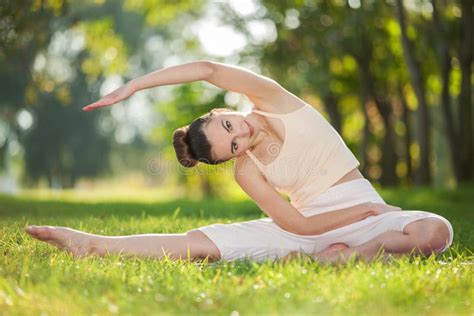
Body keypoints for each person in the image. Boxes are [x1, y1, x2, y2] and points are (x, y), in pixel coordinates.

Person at [25, 61, 453, 264]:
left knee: (435, 231)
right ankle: (90, 242)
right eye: (231, 146)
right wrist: (367, 210)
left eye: (228, 125)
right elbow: (298, 226)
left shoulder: (273, 100)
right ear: (231, 159)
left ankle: (352, 255)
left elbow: (208, 69)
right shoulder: (247, 171)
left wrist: (135, 86)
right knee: (197, 244)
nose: (240, 135)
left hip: (360, 217)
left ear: (220, 111)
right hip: (310, 226)